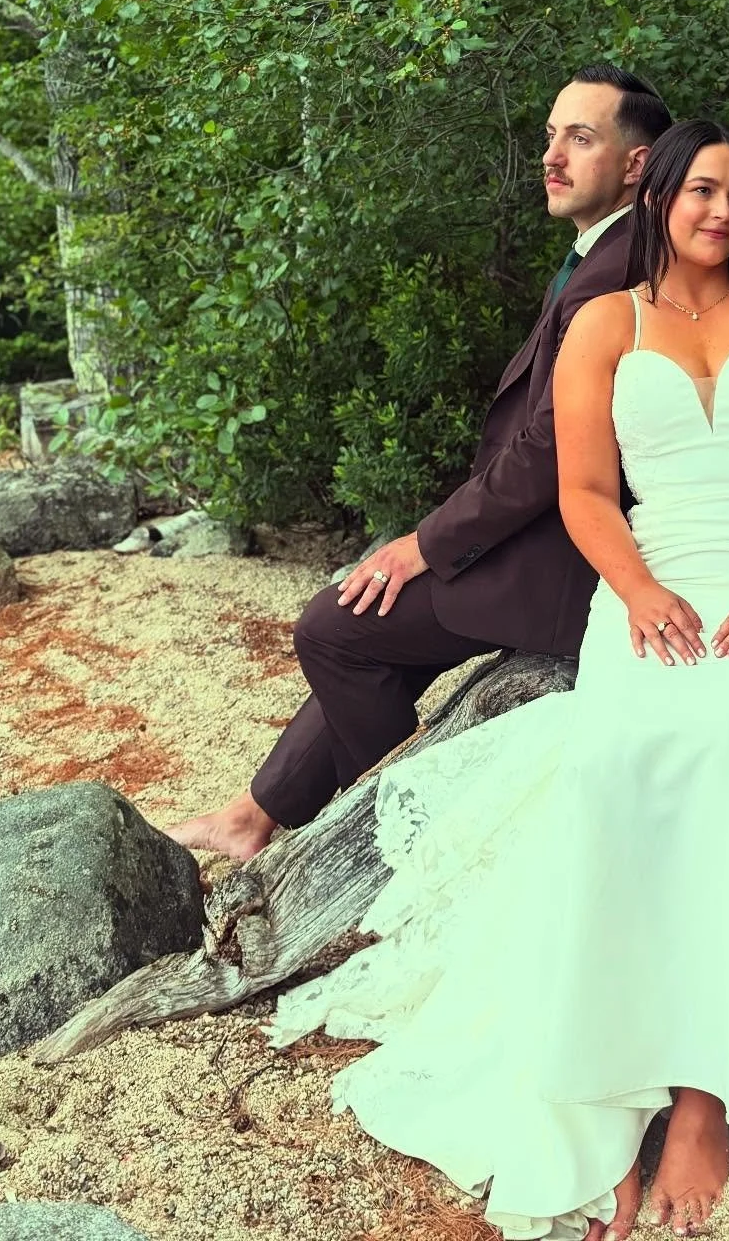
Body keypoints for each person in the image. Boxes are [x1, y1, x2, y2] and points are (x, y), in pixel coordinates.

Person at [270, 119, 729, 1241]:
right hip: (658, 577)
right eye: (702, 190)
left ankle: (705, 1093)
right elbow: (588, 494)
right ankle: (603, 1098)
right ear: (659, 194)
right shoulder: (605, 322)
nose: (722, 213)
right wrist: (643, 593)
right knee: (612, 760)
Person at [165, 65, 673, 861]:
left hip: (566, 559)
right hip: (540, 533)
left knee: (334, 629)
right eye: (549, 136)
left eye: (580, 137)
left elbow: (547, 454)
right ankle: (251, 816)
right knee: (373, 618)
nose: (552, 155)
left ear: (636, 164)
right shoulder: (603, 253)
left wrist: (425, 545)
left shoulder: (618, 268)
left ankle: (412, 836)